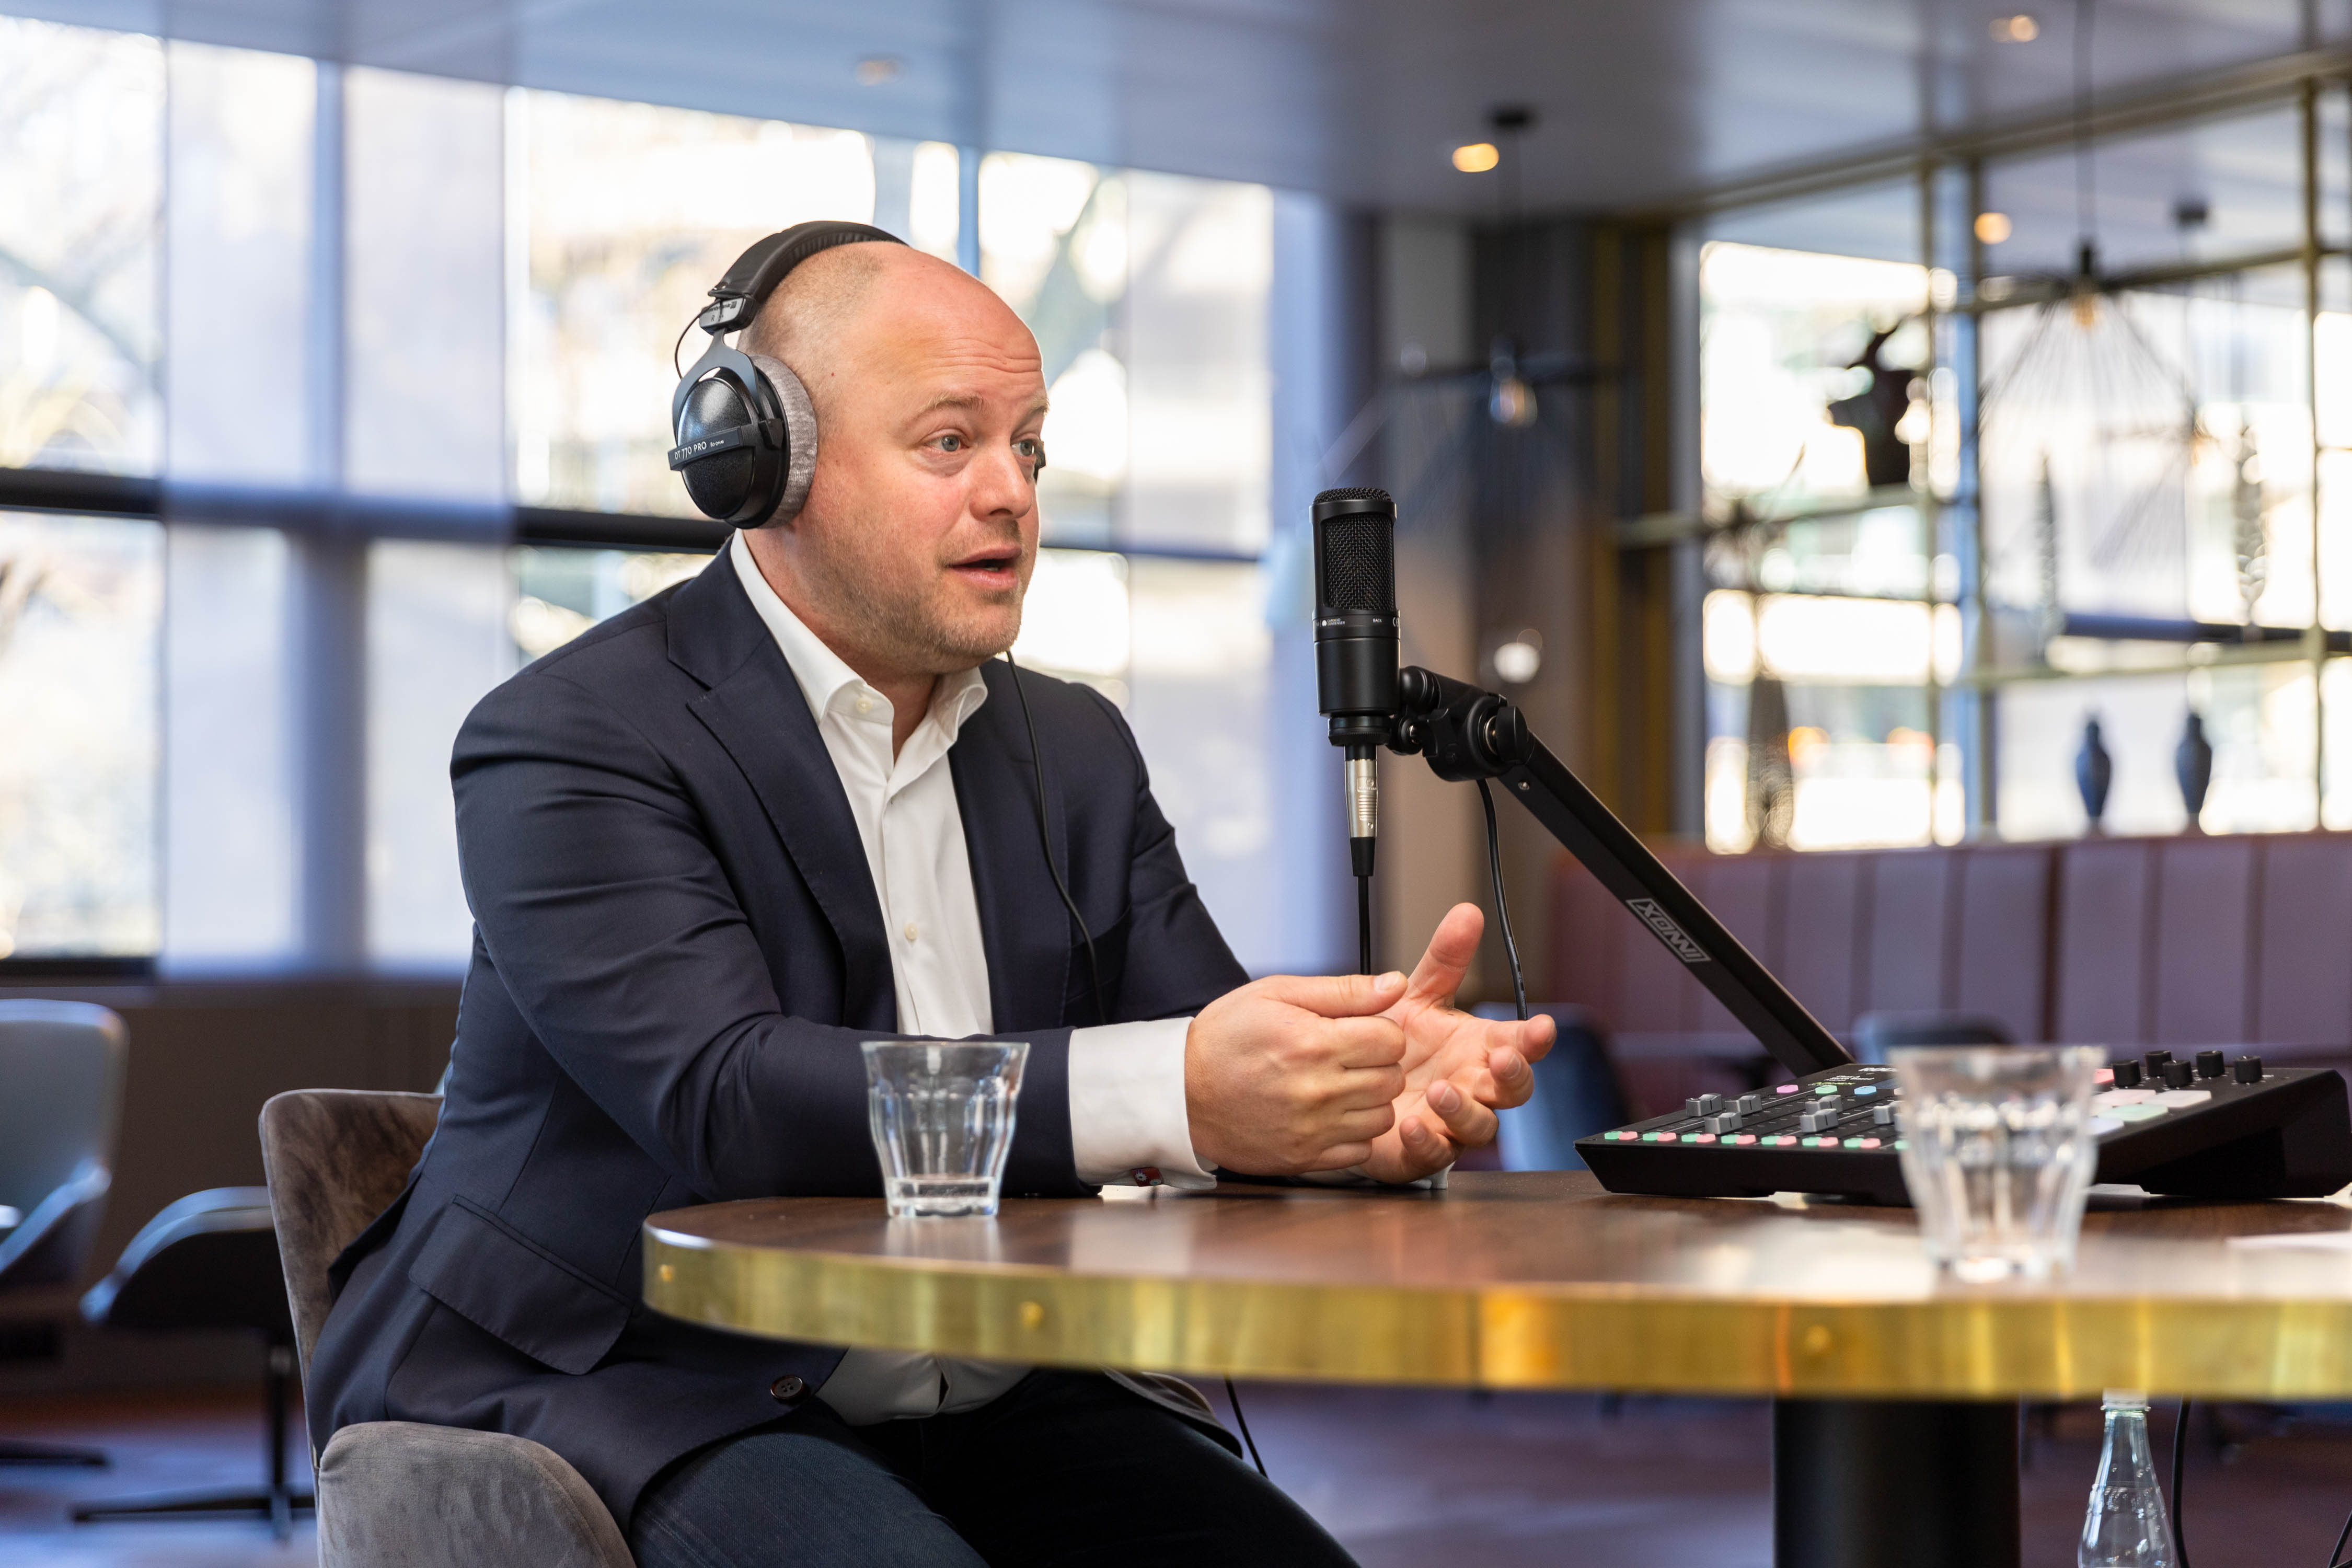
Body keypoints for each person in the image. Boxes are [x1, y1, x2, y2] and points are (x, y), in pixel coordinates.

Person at [307, 225, 1555, 1567]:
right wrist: (1185, 1086)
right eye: (949, 442)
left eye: (1029, 446)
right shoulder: (575, 732)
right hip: (629, 1375)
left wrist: (1351, 1100)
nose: (1011, 493)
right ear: (764, 463)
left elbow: (1201, 1047)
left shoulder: (1077, 747)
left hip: (987, 1388)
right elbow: (728, 1098)